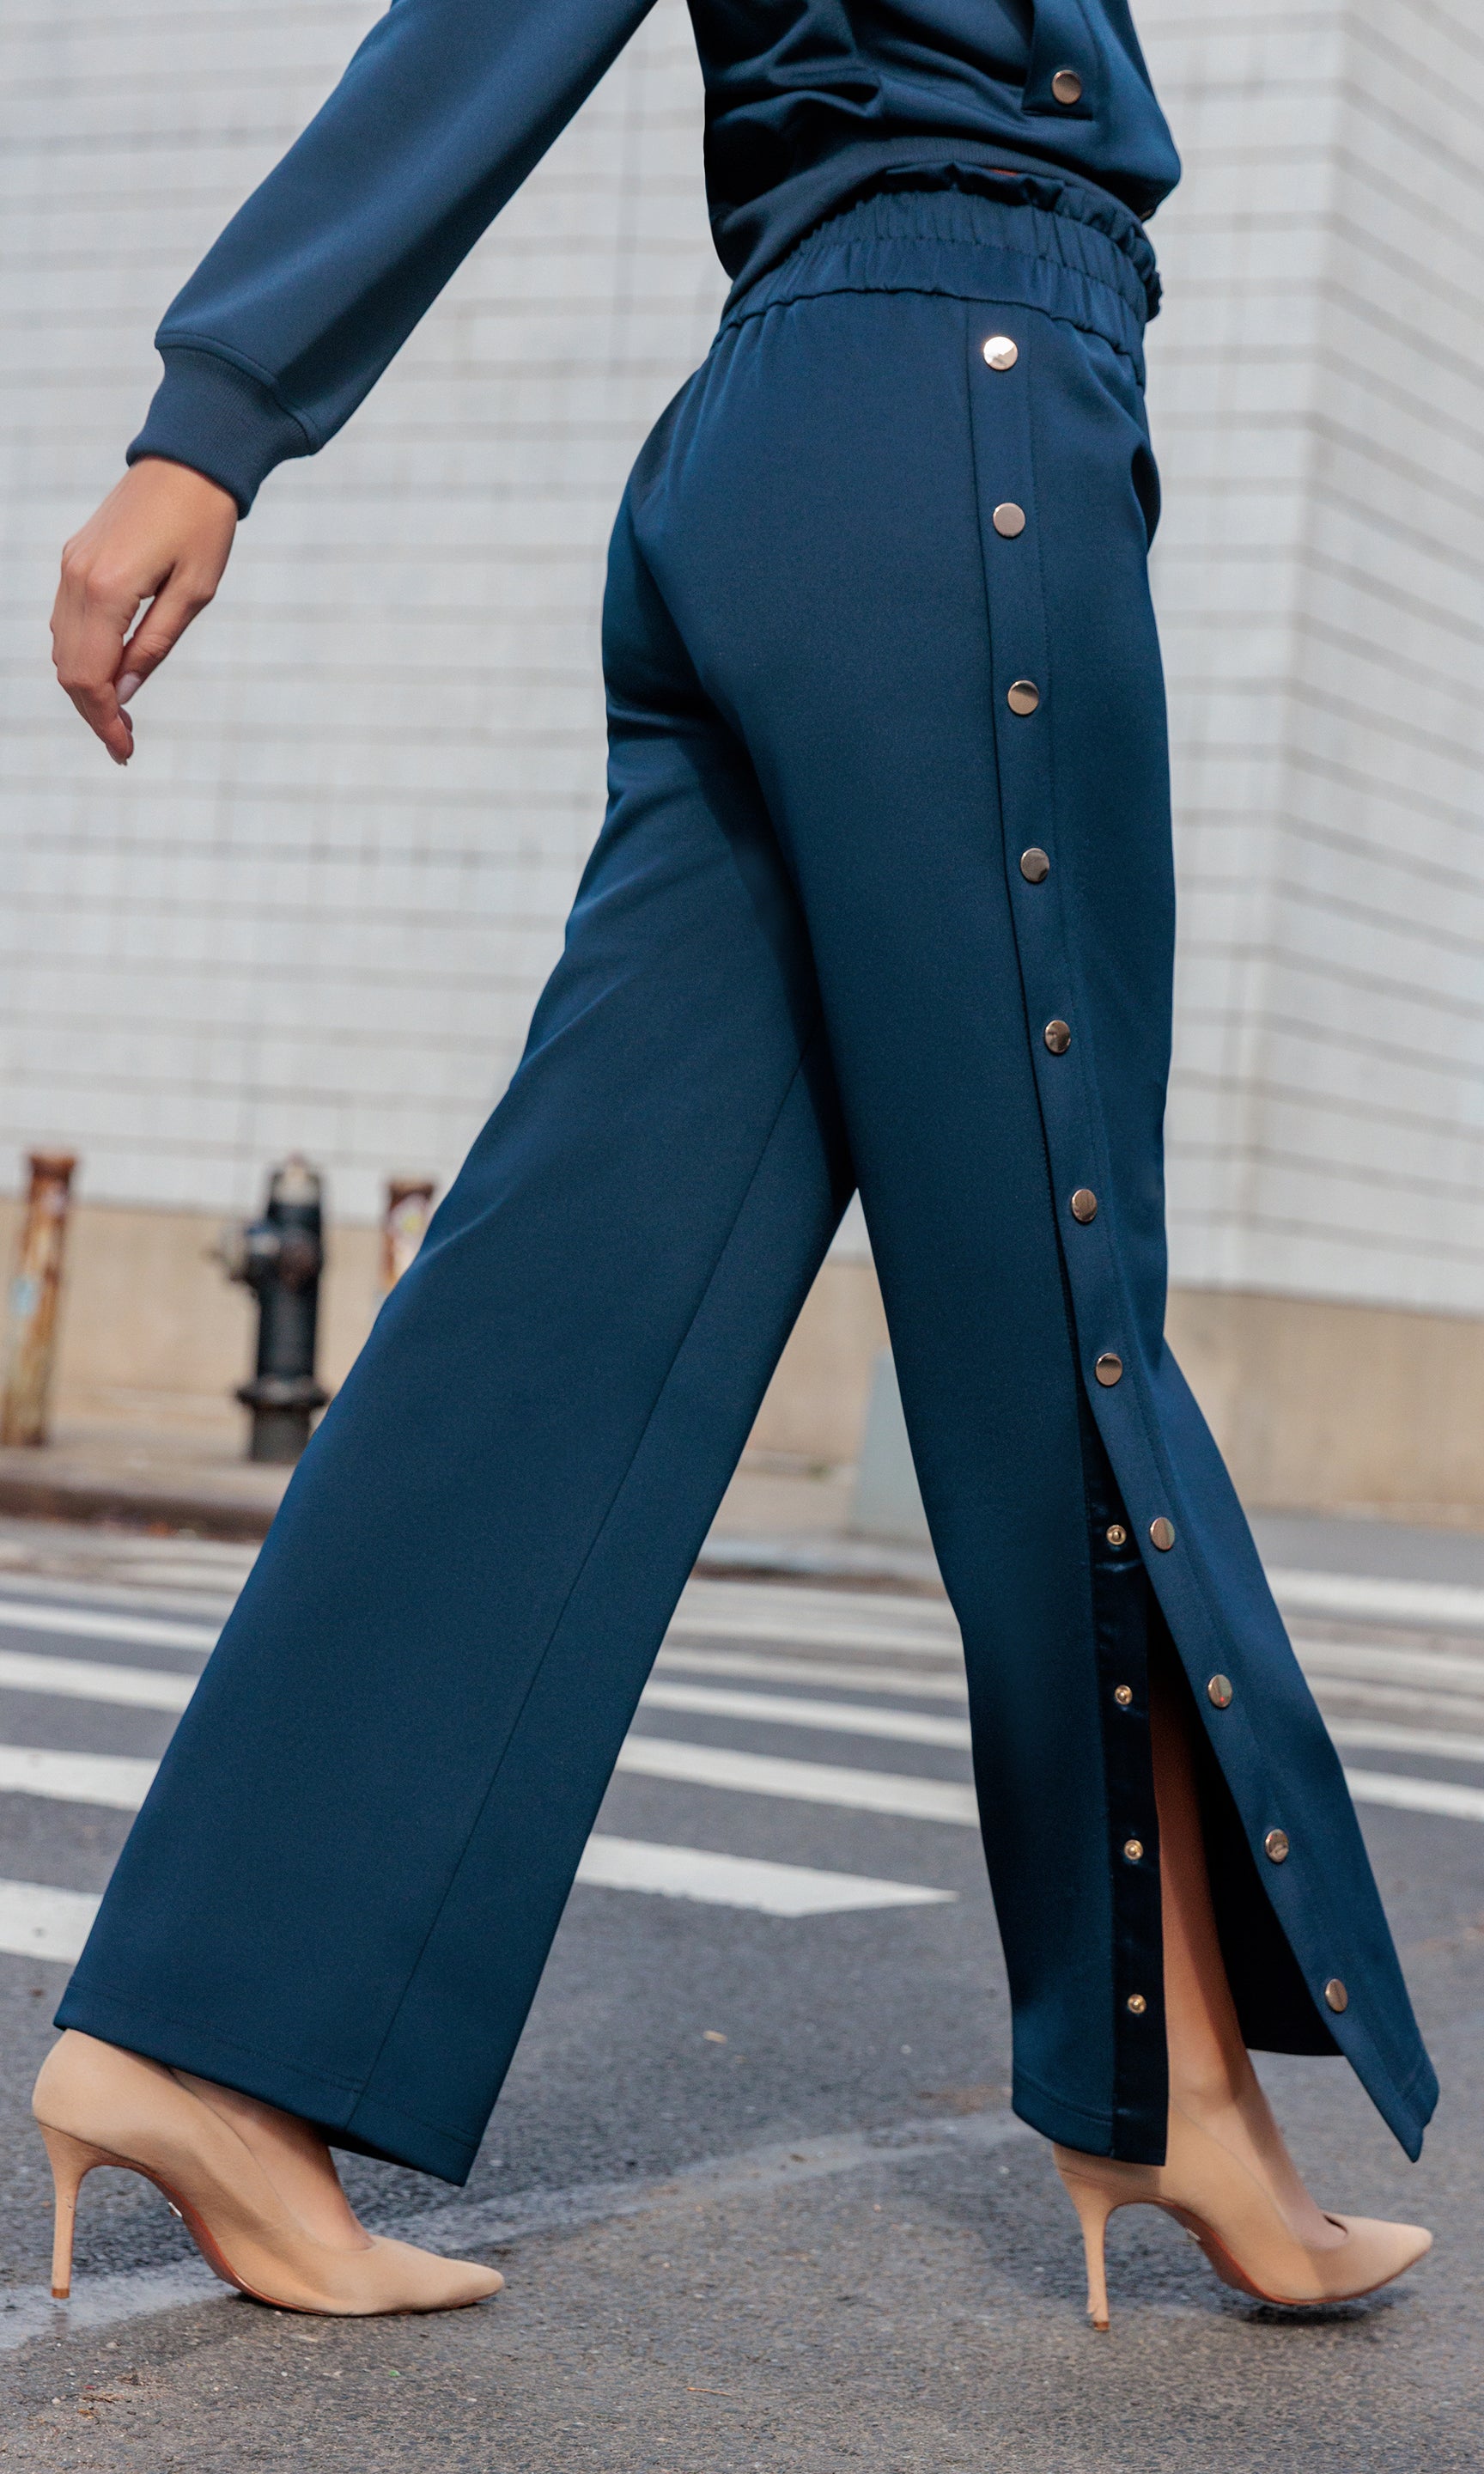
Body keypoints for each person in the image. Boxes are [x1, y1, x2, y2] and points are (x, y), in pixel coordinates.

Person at [37, 0, 1433, 2325]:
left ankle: (204, 2033)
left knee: (575, 1287)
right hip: (969, 392)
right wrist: (219, 421)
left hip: (786, 434)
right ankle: (1167, 2071)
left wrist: (224, 411)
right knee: (1050, 1290)